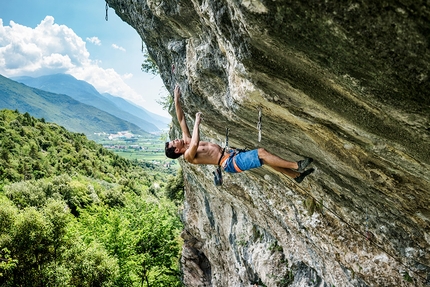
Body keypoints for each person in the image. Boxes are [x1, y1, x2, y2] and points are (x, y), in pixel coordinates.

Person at [165, 85, 315, 183]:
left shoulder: (186, 140)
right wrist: (197, 123)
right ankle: (297, 165)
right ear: (177, 150)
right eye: (174, 142)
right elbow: (196, 144)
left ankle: (296, 176)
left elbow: (181, 118)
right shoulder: (188, 156)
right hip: (229, 163)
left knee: (266, 160)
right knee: (261, 153)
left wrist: (177, 99)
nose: (176, 139)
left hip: (231, 156)